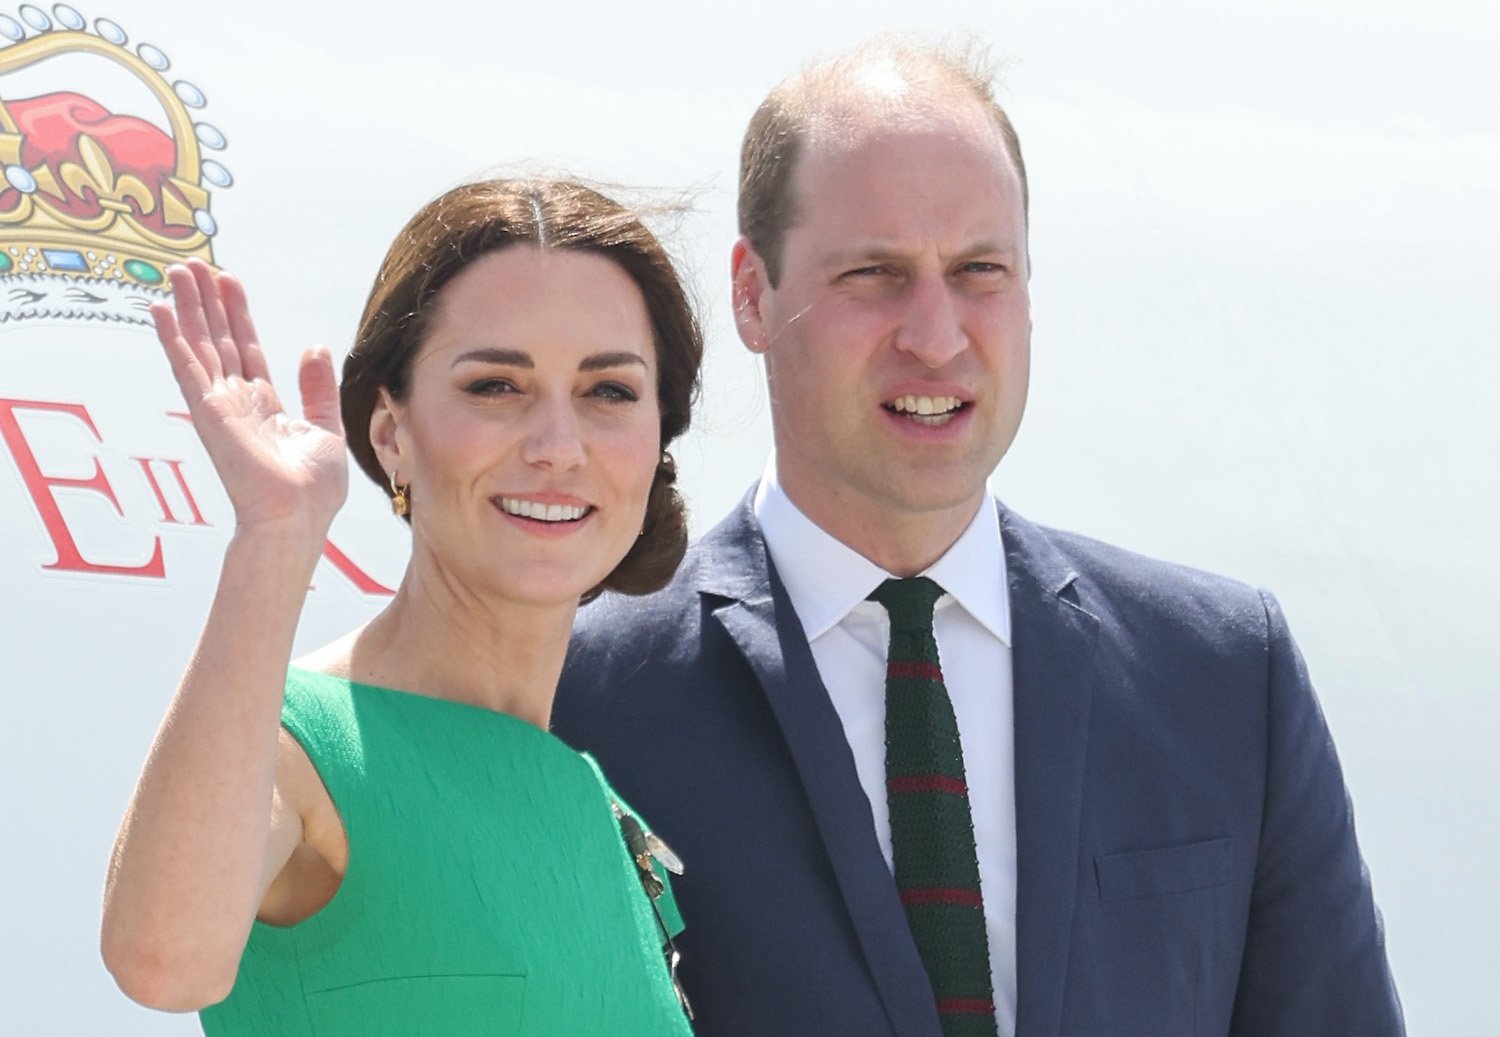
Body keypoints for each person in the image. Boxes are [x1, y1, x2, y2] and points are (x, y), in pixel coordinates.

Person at [553, 40, 1405, 1037]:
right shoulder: (580, 700)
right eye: (874, 273)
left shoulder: (1224, 674)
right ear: (751, 292)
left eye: (978, 271)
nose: (937, 332)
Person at [100, 178, 701, 1035]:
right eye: (496, 384)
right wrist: (276, 537)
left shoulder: (595, 804)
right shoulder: (300, 741)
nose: (558, 447)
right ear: (389, 432)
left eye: (609, 391)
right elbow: (162, 961)